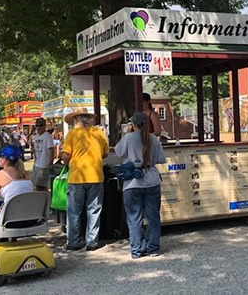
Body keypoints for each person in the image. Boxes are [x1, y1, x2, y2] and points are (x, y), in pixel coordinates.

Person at [115, 112, 166, 259]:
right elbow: (160, 159)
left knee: (134, 218)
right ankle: (153, 248)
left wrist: (127, 133)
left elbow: (118, 152)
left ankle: (136, 249)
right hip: (152, 180)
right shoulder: (153, 139)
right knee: (153, 217)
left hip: (133, 183)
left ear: (133, 125)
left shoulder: (129, 138)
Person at [61, 107, 109, 251]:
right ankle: (92, 242)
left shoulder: (72, 134)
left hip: (77, 177)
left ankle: (73, 242)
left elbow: (65, 156)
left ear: (76, 120)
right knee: (94, 211)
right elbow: (105, 154)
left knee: (74, 211)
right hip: (96, 176)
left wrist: (67, 163)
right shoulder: (99, 133)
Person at [31, 118, 55, 192]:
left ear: (44, 126)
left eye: (40, 125)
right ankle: (46, 200)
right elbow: (34, 149)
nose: (38, 127)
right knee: (37, 185)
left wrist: (50, 162)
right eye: (37, 126)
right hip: (37, 164)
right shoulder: (36, 136)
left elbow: (51, 149)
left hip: (44, 165)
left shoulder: (47, 136)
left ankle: (43, 200)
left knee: (40, 186)